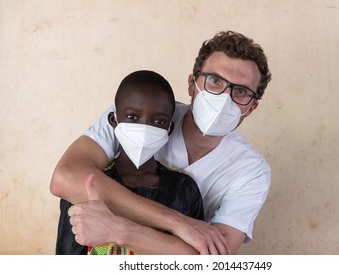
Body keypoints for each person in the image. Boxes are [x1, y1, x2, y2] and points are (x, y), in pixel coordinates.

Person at [50, 30, 272, 255]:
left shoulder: (252, 171)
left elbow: (213, 260)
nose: (224, 98)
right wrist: (178, 223)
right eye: (214, 81)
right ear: (191, 84)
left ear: (251, 107)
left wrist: (119, 230)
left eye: (241, 91)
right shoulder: (141, 110)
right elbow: (65, 178)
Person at [55, 70, 204, 255]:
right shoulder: (86, 187)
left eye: (159, 121)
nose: (144, 128)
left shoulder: (183, 188)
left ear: (169, 129)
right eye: (133, 117)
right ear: (113, 120)